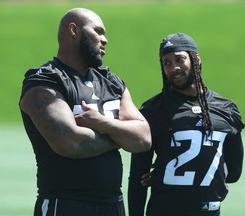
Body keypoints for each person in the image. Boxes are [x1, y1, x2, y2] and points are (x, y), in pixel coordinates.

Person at [19, 8, 151, 216]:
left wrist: (103, 124)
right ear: (74, 30)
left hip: (113, 205)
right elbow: (70, 142)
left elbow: (143, 139)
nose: (105, 39)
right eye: (98, 31)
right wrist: (121, 137)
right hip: (64, 204)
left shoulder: (112, 83)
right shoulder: (44, 81)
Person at [128, 33, 245, 216]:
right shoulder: (153, 110)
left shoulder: (226, 108)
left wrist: (199, 171)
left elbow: (234, 172)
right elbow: (138, 177)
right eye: (166, 62)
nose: (174, 68)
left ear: (196, 59)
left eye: (179, 59)